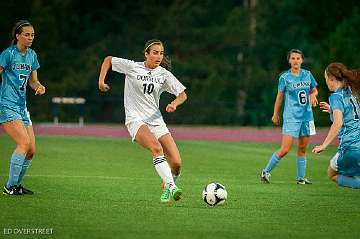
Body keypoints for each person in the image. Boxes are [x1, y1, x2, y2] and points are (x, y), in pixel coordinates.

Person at [98, 39, 187, 202]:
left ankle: (168, 184)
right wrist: (101, 81)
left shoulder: (164, 74)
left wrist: (174, 103)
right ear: (146, 54)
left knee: (176, 164)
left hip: (156, 121)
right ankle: (172, 187)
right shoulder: (133, 67)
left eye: (161, 53)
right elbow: (108, 60)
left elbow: (182, 94)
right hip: (135, 119)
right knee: (156, 148)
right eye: (154, 52)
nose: (158, 56)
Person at [0, 20, 46, 195]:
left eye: (32, 35)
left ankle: (16, 186)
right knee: (24, 143)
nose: (30, 38)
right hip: (7, 104)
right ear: (17, 36)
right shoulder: (8, 54)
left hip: (22, 107)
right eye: (26, 34)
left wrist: (39, 87)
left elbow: (33, 81)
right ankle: (9, 187)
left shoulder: (32, 55)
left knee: (31, 151)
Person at [260, 49, 318, 184]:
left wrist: (314, 94)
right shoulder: (285, 78)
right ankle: (265, 171)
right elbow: (279, 97)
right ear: (289, 61)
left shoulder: (308, 75)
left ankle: (301, 178)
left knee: (303, 149)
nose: (296, 60)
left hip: (307, 117)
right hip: (291, 117)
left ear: (302, 60)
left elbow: (314, 89)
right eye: (293, 58)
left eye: (298, 58)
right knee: (285, 149)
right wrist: (275, 113)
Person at [312, 63, 360, 189]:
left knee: (331, 174)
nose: (326, 82)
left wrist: (324, 145)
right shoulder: (350, 90)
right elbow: (349, 113)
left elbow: (338, 123)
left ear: (331, 78)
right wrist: (332, 110)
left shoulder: (335, 97)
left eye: (326, 79)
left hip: (350, 148)